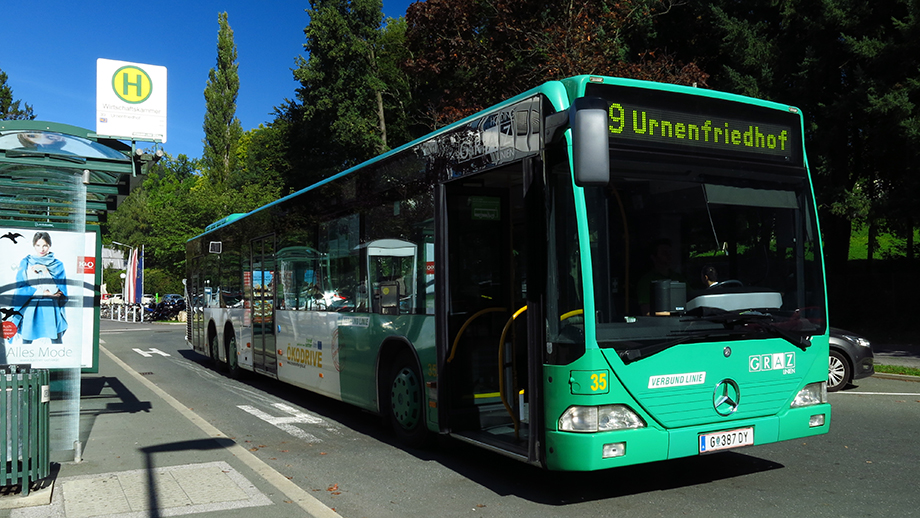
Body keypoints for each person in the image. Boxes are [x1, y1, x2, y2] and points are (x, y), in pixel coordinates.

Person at [11, 232, 68, 344]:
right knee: (26, 341)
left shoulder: (57, 265)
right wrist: (42, 292)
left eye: (45, 245)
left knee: (56, 340)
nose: (41, 249)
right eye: (38, 245)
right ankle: (25, 362)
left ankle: (58, 361)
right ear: (34, 245)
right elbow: (21, 287)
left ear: (49, 246)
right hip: (30, 306)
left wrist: (45, 270)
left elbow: (56, 291)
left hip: (50, 307)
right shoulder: (26, 262)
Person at [637, 238, 686, 315]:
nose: (669, 256)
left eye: (670, 252)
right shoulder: (646, 281)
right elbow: (646, 311)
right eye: (664, 253)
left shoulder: (679, 278)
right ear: (653, 257)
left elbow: (691, 300)